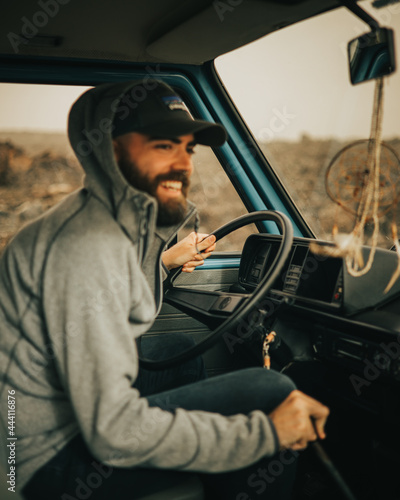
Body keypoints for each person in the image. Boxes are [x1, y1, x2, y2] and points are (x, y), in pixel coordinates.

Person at [0, 79, 329, 499]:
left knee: (176, 352)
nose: (183, 163)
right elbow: (112, 431)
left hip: (50, 414)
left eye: (187, 148)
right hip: (34, 460)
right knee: (271, 399)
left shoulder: (104, 219)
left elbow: (110, 292)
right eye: (162, 145)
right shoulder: (85, 249)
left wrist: (164, 259)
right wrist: (265, 434)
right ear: (110, 148)